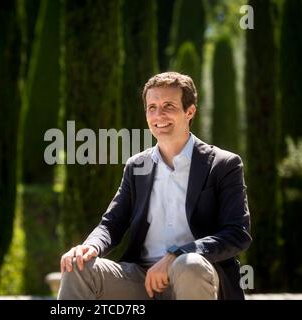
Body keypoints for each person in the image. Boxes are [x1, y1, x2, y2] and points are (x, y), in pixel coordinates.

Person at [57, 71, 252, 300]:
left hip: (197, 275)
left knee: (189, 265)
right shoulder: (137, 166)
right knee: (77, 267)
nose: (158, 114)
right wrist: (90, 246)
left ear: (189, 112)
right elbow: (112, 223)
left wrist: (177, 255)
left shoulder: (223, 164)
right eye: (152, 107)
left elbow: (237, 233)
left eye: (168, 105)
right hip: (142, 279)